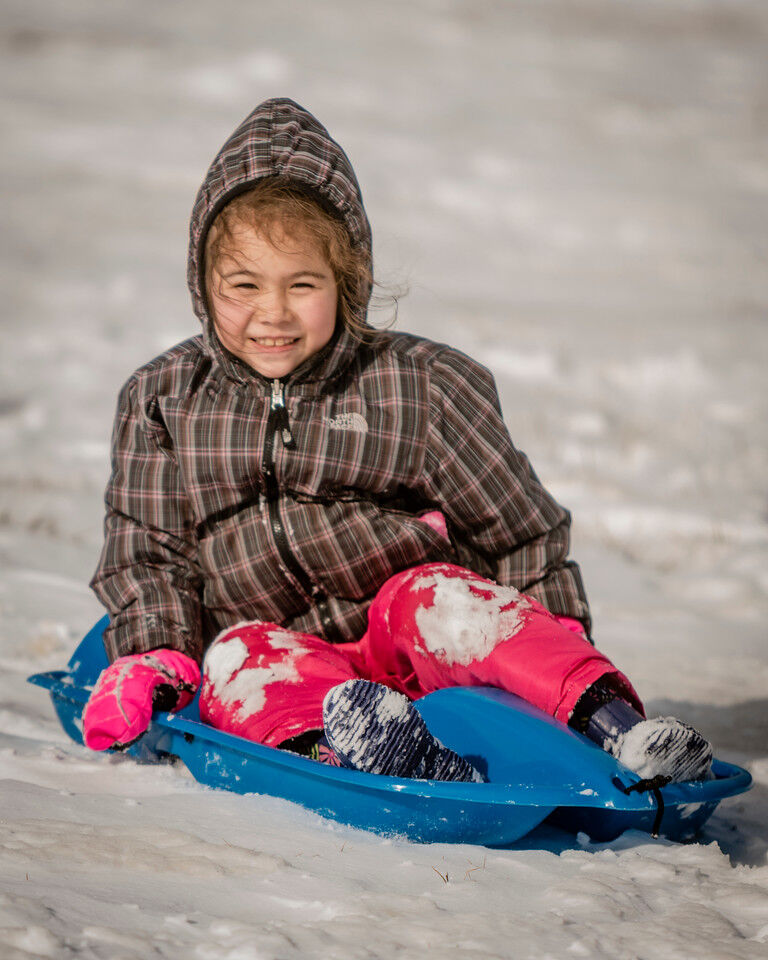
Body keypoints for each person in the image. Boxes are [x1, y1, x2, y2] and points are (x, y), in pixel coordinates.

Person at [82, 98, 712, 786]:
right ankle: (349, 757)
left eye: (302, 284)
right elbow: (150, 558)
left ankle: (620, 732)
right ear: (204, 285)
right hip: (292, 664)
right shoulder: (164, 401)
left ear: (346, 282)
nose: (273, 312)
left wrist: (551, 645)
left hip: (416, 648)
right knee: (235, 652)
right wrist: (154, 655)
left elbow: (520, 534)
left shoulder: (420, 388)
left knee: (435, 592)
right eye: (244, 285)